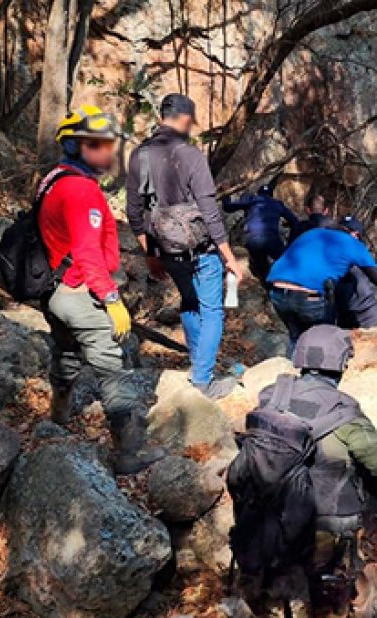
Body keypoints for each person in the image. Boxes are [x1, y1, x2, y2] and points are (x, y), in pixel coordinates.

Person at [256, 326, 377, 618]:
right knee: (331, 592)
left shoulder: (272, 397)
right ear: (341, 365)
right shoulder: (344, 414)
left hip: (271, 513)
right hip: (325, 522)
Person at [40, 104, 166, 475]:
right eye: (96, 144)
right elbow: (87, 252)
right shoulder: (81, 191)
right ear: (75, 146)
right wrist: (111, 299)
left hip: (56, 289)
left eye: (109, 144)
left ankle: (59, 416)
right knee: (114, 369)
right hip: (81, 291)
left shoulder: (53, 179)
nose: (107, 152)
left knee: (65, 351)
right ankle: (129, 455)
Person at [127, 94, 244, 399]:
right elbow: (208, 208)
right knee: (212, 311)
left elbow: (134, 212)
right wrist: (228, 255)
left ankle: (199, 366)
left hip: (166, 249)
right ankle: (203, 381)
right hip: (200, 249)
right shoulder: (190, 155)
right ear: (183, 118)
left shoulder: (139, 155)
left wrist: (151, 254)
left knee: (190, 303)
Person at [267, 221, 377, 351]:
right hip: (309, 296)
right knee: (323, 342)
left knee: (296, 338)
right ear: (356, 235)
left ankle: (292, 369)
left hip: (277, 292)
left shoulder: (313, 233)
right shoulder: (353, 244)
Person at [222, 184, 300, 282]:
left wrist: (226, 195)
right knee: (286, 261)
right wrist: (290, 244)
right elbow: (295, 222)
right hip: (271, 239)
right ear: (271, 195)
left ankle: (266, 284)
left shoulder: (252, 200)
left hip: (252, 240)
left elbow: (228, 207)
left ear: (258, 193)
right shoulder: (277, 204)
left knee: (261, 266)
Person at [333, 218, 377, 329]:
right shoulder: (331, 255)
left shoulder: (361, 258)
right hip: (343, 318)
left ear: (356, 235)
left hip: (368, 318)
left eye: (344, 233)